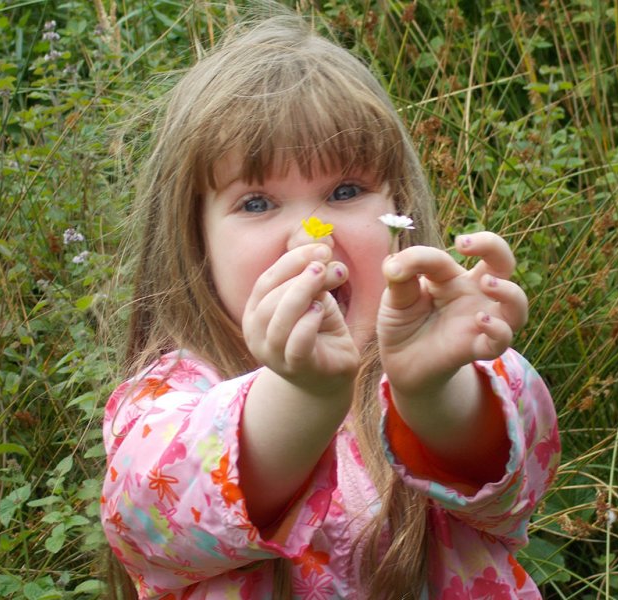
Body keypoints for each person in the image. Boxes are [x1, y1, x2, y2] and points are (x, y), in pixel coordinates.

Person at [101, 10, 560, 600]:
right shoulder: (167, 400)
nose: (309, 237)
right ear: (197, 242)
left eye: (345, 192)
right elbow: (147, 525)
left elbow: (522, 481)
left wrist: (430, 391)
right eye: (258, 203)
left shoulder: (451, 358)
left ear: (399, 207)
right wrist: (302, 395)